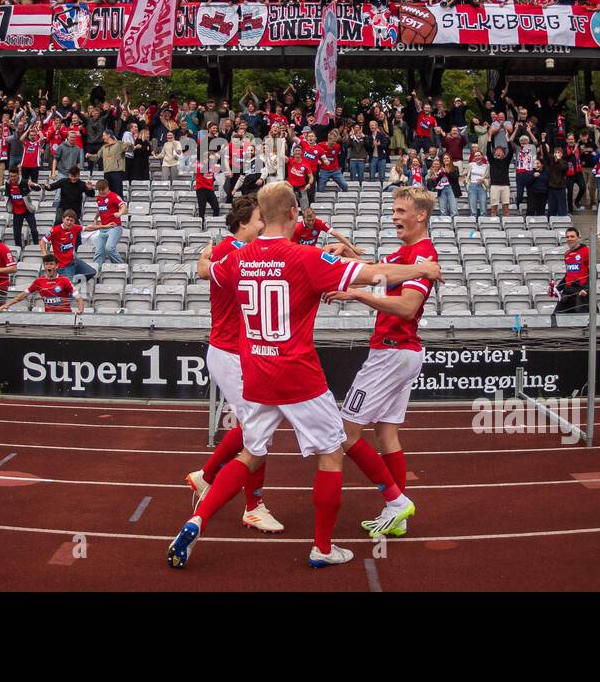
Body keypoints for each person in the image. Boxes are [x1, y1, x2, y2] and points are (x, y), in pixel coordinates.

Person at [168, 181, 442, 570]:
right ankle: (323, 547)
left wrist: (203, 256)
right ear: (294, 213)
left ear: (261, 218)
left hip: (257, 372)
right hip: (298, 375)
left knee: (248, 454)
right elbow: (373, 273)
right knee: (331, 455)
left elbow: (208, 270)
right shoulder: (305, 258)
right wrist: (421, 268)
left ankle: (197, 519)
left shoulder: (239, 257)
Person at [326, 187, 439, 538]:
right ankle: (398, 518)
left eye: (400, 210)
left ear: (419, 215)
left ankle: (395, 502)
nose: (393, 217)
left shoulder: (421, 256)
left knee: (345, 432)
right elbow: (375, 268)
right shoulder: (408, 253)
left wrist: (359, 294)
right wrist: (345, 255)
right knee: (387, 433)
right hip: (402, 352)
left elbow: (406, 307)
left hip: (391, 352)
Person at [184, 195, 283, 533]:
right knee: (258, 429)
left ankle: (206, 475)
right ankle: (253, 506)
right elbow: (204, 270)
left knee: (254, 425)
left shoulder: (238, 250)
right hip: (229, 353)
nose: (264, 226)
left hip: (239, 352)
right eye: (259, 220)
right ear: (244, 223)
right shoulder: (230, 250)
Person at [0, 254, 85, 314]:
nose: (49, 266)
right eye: (46, 264)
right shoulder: (39, 281)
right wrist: (7, 305)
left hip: (64, 316)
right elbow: (23, 295)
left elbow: (78, 298)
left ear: (57, 266)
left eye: (51, 264)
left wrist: (80, 309)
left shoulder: (64, 280)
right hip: (48, 317)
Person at [42, 209, 97, 285]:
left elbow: (88, 228)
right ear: (63, 219)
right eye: (67, 220)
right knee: (67, 287)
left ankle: (71, 280)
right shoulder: (55, 230)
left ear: (74, 221)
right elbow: (42, 242)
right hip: (63, 266)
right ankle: (66, 281)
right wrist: (45, 256)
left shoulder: (75, 227)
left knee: (92, 272)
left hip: (73, 262)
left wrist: (105, 226)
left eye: (71, 220)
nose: (69, 222)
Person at [84, 178, 127, 265]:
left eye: (103, 190)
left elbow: (123, 206)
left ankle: (121, 267)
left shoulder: (113, 196)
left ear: (107, 188)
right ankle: (97, 273)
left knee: (109, 248)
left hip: (114, 227)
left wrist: (120, 213)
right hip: (103, 228)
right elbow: (100, 209)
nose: (101, 192)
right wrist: (96, 218)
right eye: (99, 190)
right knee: (99, 252)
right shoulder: (99, 198)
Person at [291, 205, 361, 258]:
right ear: (303, 219)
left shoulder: (318, 223)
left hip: (313, 252)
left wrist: (352, 247)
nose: (311, 222)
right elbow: (294, 248)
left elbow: (336, 234)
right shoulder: (297, 229)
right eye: (308, 220)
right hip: (302, 255)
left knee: (343, 247)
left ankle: (363, 263)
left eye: (313, 220)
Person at [555, 227, 590, 314]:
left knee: (582, 317)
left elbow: (593, 273)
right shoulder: (567, 254)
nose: (569, 239)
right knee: (557, 315)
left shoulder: (586, 251)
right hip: (568, 290)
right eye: (567, 237)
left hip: (581, 290)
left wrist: (586, 289)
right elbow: (568, 274)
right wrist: (557, 288)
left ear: (578, 238)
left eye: (572, 236)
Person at [488, 144, 513, 217]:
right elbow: (488, 151)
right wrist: (489, 139)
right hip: (494, 186)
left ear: (504, 154)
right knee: (494, 208)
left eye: (500, 151)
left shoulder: (506, 161)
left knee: (506, 208)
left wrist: (508, 141)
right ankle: (494, 223)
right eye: (497, 151)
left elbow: (511, 151)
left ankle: (507, 223)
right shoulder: (492, 160)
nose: (498, 152)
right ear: (495, 153)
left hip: (505, 186)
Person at [466, 149, 489, 216]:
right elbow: (464, 174)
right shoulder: (471, 165)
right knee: (472, 205)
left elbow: (488, 177)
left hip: (482, 186)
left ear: (482, 156)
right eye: (475, 156)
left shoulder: (486, 166)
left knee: (483, 205)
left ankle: (483, 221)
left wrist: (483, 180)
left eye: (479, 155)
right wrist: (467, 181)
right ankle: (473, 221)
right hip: (472, 186)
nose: (477, 157)